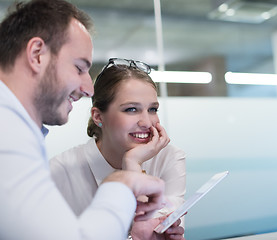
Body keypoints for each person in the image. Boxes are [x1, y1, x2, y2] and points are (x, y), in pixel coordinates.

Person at [0, 1, 166, 240]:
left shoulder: (15, 129)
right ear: (37, 55)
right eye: (79, 68)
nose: (89, 89)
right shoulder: (6, 132)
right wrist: (122, 184)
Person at [50, 58, 187, 240]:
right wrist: (132, 166)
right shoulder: (60, 171)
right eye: (131, 109)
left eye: (153, 109)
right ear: (98, 116)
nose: (147, 122)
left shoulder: (169, 157)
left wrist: (133, 165)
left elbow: (157, 234)